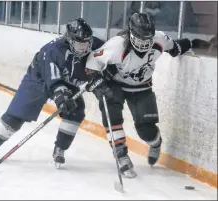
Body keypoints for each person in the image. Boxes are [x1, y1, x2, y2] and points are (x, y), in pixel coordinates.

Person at [85, 12, 206, 178]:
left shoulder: (159, 39)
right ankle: (121, 156)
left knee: (146, 131)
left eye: (147, 39)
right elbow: (92, 62)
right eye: (140, 38)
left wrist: (192, 43)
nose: (144, 43)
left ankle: (155, 143)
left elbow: (174, 48)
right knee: (111, 113)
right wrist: (96, 82)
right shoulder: (116, 45)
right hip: (116, 84)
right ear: (131, 33)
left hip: (142, 87)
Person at [0, 18, 105, 168]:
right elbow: (54, 82)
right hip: (39, 80)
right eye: (79, 44)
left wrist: (103, 78)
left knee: (76, 110)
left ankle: (60, 149)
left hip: (68, 82)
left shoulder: (95, 45)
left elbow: (112, 57)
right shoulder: (53, 51)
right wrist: (62, 98)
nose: (84, 48)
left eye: (86, 43)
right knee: (17, 114)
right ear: (69, 39)